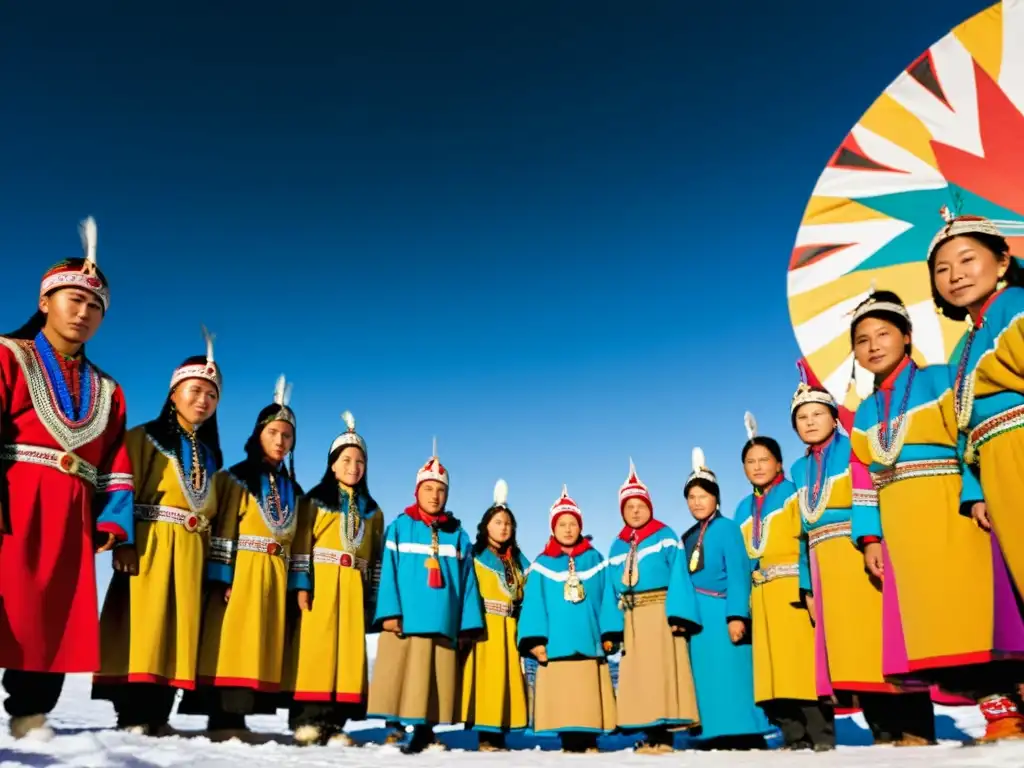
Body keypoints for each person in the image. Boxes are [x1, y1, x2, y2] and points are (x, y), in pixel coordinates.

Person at [849, 286, 1024, 743]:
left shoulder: (942, 378)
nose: (873, 346)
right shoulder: (864, 414)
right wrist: (870, 540)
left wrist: (974, 493)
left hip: (951, 511)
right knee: (936, 634)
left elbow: (968, 438)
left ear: (907, 337)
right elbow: (864, 481)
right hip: (902, 529)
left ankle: (1009, 709)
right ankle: (996, 712)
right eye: (862, 340)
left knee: (978, 614)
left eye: (883, 334)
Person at [0, 217, 135, 739]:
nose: (83, 313)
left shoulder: (108, 388)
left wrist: (113, 520)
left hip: (71, 510)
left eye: (94, 306)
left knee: (52, 614)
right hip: (14, 498)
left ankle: (30, 718)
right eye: (72, 300)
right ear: (45, 302)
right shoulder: (8, 356)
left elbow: (115, 459)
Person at [92, 329, 224, 734]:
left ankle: (160, 715)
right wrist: (124, 542)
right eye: (195, 390)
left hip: (192, 552)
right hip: (149, 546)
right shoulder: (142, 438)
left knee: (180, 630)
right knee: (144, 627)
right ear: (173, 393)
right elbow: (120, 488)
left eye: (212, 394)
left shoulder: (210, 454)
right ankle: (132, 714)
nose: (203, 400)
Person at [789, 377, 934, 745]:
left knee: (884, 643)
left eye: (817, 413)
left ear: (833, 416)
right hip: (826, 567)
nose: (809, 421)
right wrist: (807, 586)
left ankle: (916, 728)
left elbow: (869, 495)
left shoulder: (852, 447)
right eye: (802, 416)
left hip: (859, 557)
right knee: (851, 654)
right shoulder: (796, 470)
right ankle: (882, 732)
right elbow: (801, 535)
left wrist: (875, 542)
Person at [926, 209, 1024, 739]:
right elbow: (964, 436)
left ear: (1002, 259)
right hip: (996, 469)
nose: (956, 274)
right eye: (943, 269)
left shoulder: (1017, 304)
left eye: (968, 259)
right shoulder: (963, 348)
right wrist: (975, 489)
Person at [179, 375, 312, 738]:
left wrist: (299, 584)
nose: (281, 442)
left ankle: (243, 716)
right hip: (241, 572)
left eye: (287, 436)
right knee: (230, 642)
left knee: (259, 645)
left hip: (275, 573)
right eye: (274, 434)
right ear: (259, 436)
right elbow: (222, 529)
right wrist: (222, 576)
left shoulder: (294, 489)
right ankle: (223, 718)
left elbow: (299, 541)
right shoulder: (234, 478)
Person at [366, 443, 483, 753]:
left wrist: (468, 625)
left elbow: (468, 581)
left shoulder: (458, 534)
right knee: (402, 676)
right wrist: (390, 612)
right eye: (428, 488)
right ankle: (394, 725)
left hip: (443, 619)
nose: (435, 495)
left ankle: (425, 729)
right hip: (406, 620)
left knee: (434, 679)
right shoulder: (400, 528)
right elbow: (387, 572)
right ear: (417, 490)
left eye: (441, 490)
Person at [287, 411, 385, 746]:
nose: (354, 467)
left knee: (347, 655)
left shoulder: (373, 511)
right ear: (332, 464)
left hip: (354, 587)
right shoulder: (314, 501)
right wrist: (301, 585)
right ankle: (307, 721)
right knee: (316, 652)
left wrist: (373, 598)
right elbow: (301, 547)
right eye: (346, 459)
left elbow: (375, 560)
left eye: (360, 461)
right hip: (322, 583)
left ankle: (335, 724)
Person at [735, 416, 832, 751]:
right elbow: (739, 562)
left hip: (791, 589)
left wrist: (807, 588)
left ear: (778, 462)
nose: (758, 466)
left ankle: (821, 735)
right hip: (760, 598)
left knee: (801, 666)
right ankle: (793, 735)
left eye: (764, 459)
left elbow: (808, 541)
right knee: (773, 672)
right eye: (750, 461)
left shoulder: (794, 493)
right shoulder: (741, 509)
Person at [666, 449, 771, 750]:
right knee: (706, 678)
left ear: (716, 498)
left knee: (733, 675)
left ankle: (744, 732)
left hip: (722, 612)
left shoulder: (727, 528)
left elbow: (738, 574)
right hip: (698, 619)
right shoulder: (686, 537)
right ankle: (711, 732)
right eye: (691, 497)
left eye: (703, 495)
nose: (697, 502)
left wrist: (737, 615)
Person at [600, 459, 699, 753]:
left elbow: (680, 576)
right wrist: (611, 629)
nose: (635, 511)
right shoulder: (617, 546)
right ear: (622, 511)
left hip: (659, 613)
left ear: (649, 506)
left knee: (661, 674)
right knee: (639, 677)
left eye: (640, 505)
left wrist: (679, 614)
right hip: (631, 617)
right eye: (629, 506)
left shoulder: (665, 536)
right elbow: (609, 590)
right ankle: (648, 732)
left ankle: (664, 737)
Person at [517, 485, 616, 752]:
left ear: (580, 526)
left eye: (573, 523)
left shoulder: (595, 559)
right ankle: (569, 740)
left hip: (589, 640)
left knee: (587, 696)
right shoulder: (541, 565)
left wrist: (610, 634)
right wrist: (536, 641)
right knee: (565, 698)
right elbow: (534, 605)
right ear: (553, 528)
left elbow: (607, 598)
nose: (568, 529)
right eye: (562, 524)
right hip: (556, 646)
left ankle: (590, 738)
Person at [459, 479, 530, 751]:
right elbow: (466, 593)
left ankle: (502, 729)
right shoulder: (474, 557)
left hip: (511, 626)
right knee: (487, 680)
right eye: (498, 522)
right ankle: (486, 735)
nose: (504, 528)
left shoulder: (520, 561)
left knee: (509, 680)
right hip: (485, 626)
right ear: (486, 526)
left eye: (508, 524)